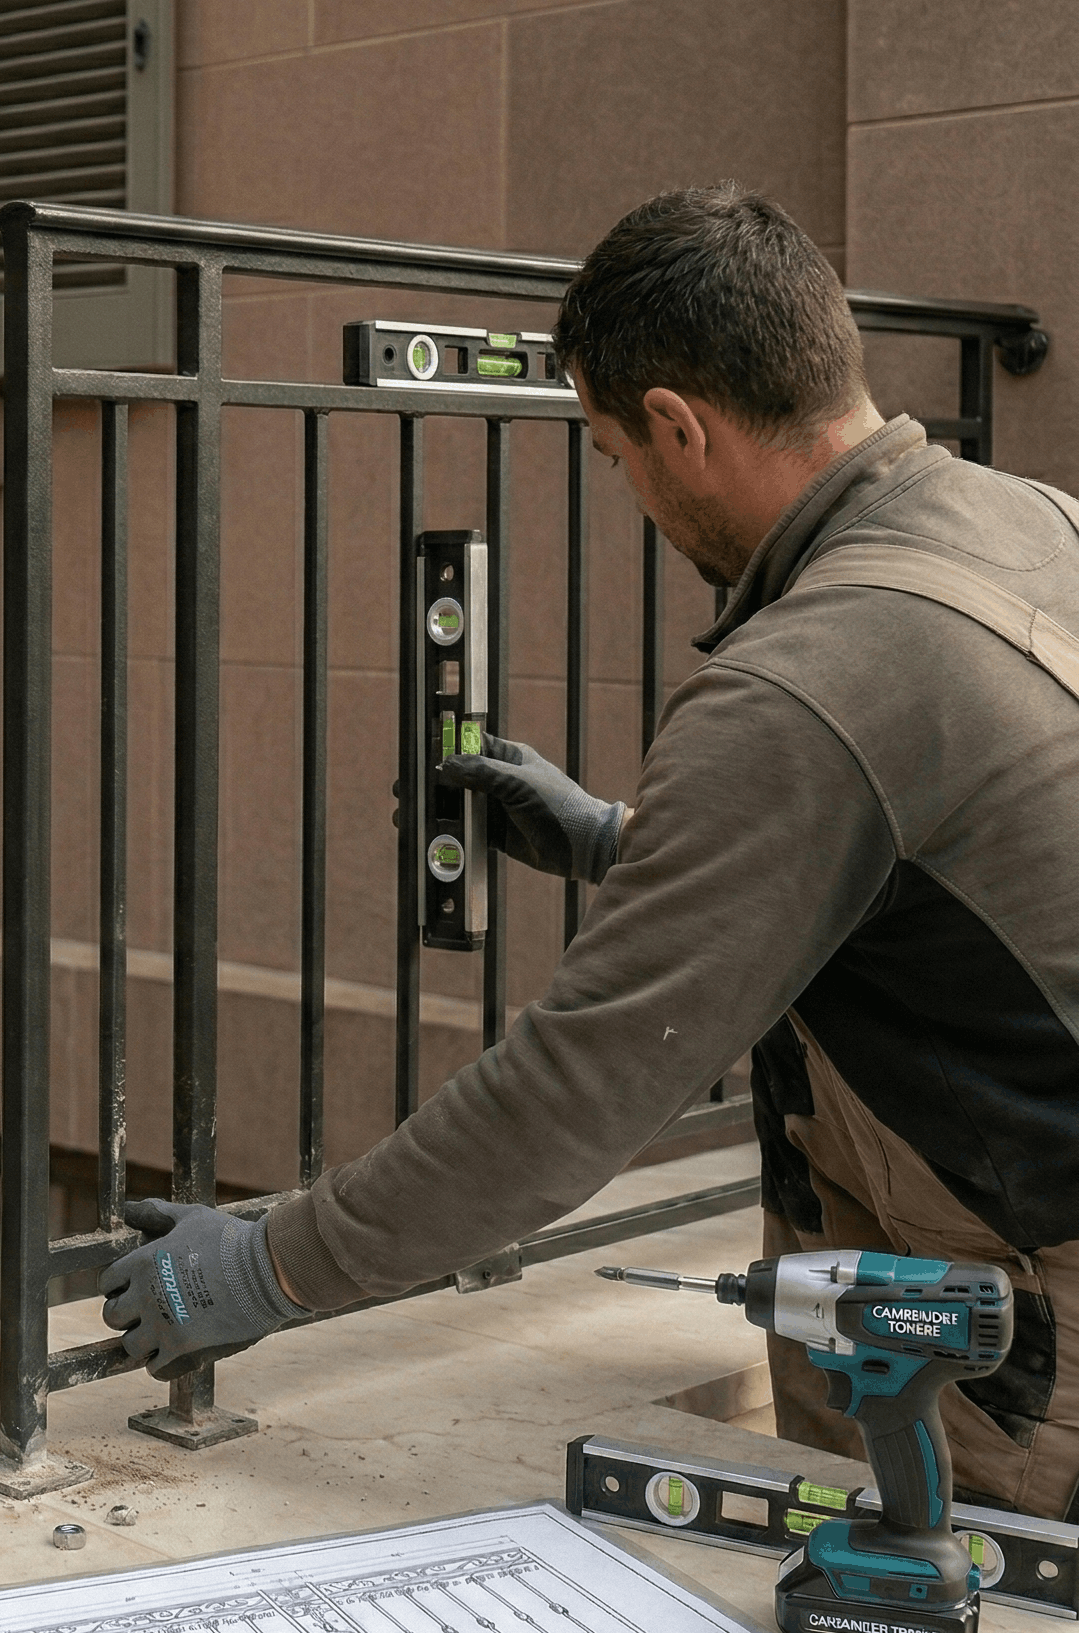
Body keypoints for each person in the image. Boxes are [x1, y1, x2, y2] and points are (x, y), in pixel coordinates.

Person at [100, 182, 1079, 1520]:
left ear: (678, 425)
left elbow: (571, 1093)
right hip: (993, 1220)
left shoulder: (808, 682)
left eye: (614, 455)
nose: (628, 490)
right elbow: (972, 865)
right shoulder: (1030, 524)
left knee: (912, 1584)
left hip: (1008, 1313)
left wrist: (261, 1268)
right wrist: (628, 846)